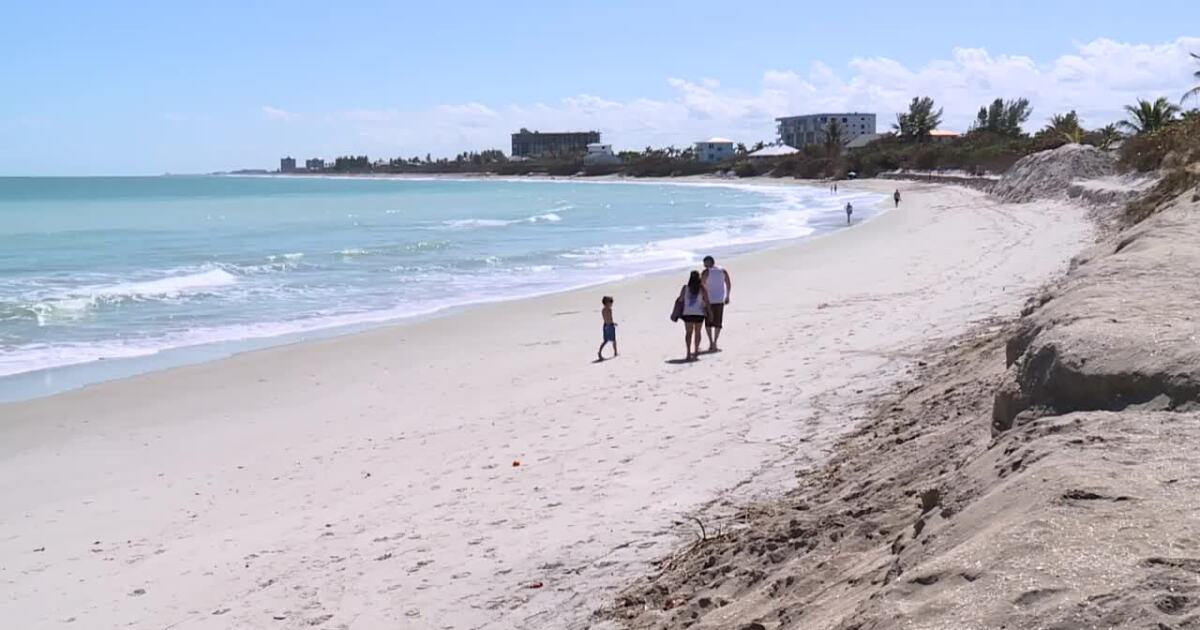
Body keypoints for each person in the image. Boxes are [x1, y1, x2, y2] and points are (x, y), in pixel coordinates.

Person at [677, 270, 710, 361]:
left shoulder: (685, 288)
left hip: (688, 313)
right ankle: (695, 352)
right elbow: (707, 301)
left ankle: (688, 353)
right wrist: (708, 311)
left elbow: (680, 300)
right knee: (698, 332)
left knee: (688, 333)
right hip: (699, 313)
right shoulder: (702, 288)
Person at [701, 255, 731, 352]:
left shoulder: (706, 272)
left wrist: (701, 299)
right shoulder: (722, 270)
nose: (703, 265)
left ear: (708, 262)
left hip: (708, 300)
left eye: (704, 263)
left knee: (708, 323)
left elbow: (701, 286)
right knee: (718, 322)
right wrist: (727, 296)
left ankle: (711, 342)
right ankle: (715, 342)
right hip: (719, 299)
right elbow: (728, 283)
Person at [597, 296, 617, 361]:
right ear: (606, 303)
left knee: (605, 340)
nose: (612, 304)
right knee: (613, 340)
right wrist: (612, 323)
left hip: (605, 325)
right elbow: (610, 318)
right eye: (611, 302)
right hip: (609, 325)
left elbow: (605, 319)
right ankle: (615, 352)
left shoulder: (603, 310)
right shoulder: (609, 310)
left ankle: (599, 352)